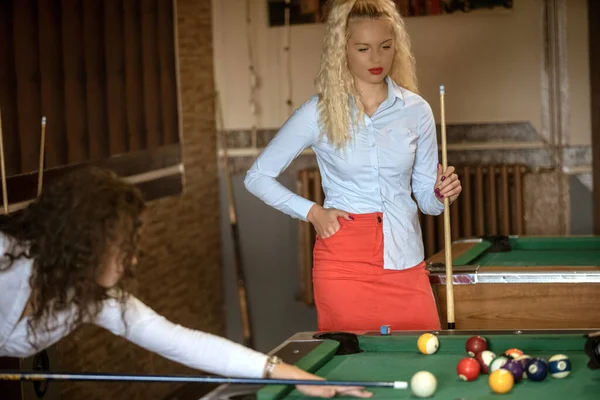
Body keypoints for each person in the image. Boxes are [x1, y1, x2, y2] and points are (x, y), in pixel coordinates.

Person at [0, 167, 371, 399]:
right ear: (84, 243)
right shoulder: (7, 258)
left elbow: (181, 342)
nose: (132, 258)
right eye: (122, 246)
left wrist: (291, 373)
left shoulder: (96, 299)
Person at [244, 0, 462, 332]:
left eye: (385, 46)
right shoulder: (318, 112)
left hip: (405, 257)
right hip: (343, 264)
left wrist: (441, 191)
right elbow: (257, 177)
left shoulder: (417, 110)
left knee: (424, 359)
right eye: (363, 48)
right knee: (353, 373)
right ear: (342, 50)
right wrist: (312, 212)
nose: (376, 58)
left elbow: (429, 204)